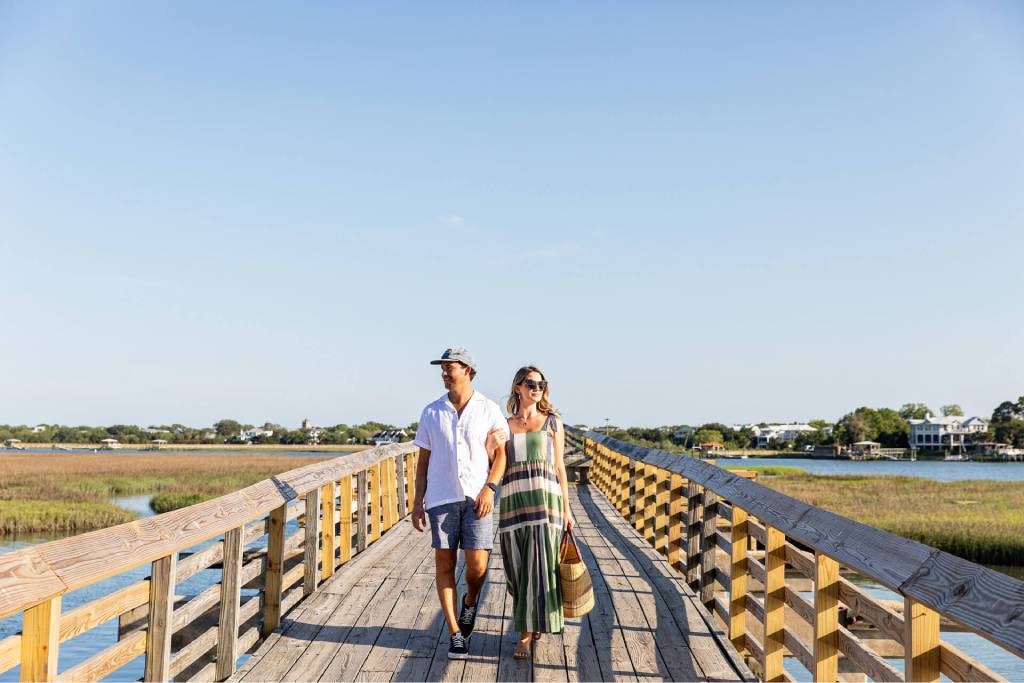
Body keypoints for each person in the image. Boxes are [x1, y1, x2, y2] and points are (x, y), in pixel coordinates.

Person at [411, 348, 509, 660]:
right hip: (441, 498)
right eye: (441, 367)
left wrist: (490, 488)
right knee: (444, 565)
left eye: (448, 367)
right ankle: (455, 633)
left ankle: (470, 601)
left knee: (477, 566)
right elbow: (423, 461)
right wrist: (417, 502)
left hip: (477, 496)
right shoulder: (431, 411)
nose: (443, 372)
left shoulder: (488, 409)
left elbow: (501, 455)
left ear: (467, 370)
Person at [497, 365, 574, 660]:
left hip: (546, 503)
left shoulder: (552, 421)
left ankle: (525, 636)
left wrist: (567, 509)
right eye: (531, 383)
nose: (537, 387)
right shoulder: (505, 425)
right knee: (516, 568)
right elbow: (496, 461)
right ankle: (533, 619)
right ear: (518, 386)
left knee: (538, 566)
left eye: (541, 383)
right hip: (514, 502)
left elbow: (559, 467)